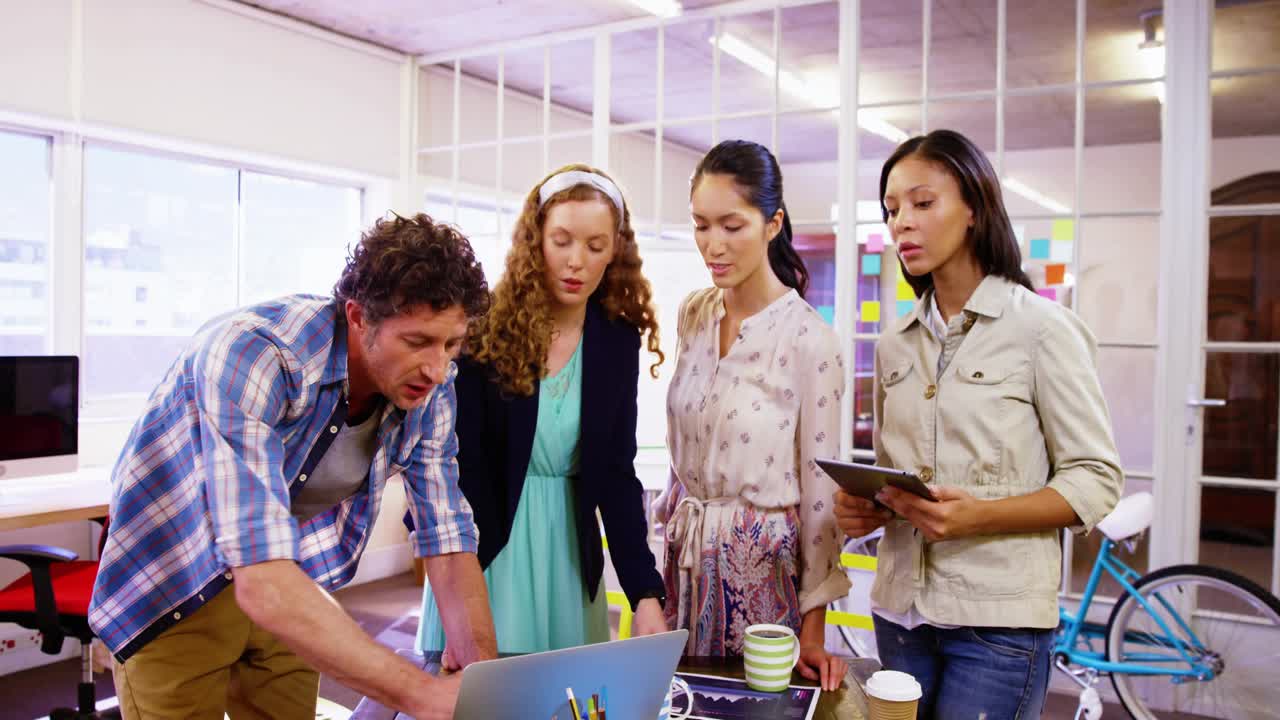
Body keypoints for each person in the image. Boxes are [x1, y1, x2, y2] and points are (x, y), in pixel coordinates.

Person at [89, 213, 498, 720]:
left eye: (451, 344)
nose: (438, 368)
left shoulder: (430, 385)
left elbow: (448, 532)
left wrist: (482, 680)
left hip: (289, 579)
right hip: (176, 581)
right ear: (357, 317)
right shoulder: (254, 353)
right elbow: (260, 584)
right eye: (417, 342)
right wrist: (422, 695)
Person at [833, 129, 1123, 719]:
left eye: (921, 203)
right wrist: (869, 507)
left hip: (999, 626)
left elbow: (1095, 479)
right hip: (899, 613)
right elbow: (906, 476)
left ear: (973, 208)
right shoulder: (895, 344)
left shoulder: (1042, 329)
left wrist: (979, 516)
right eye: (891, 210)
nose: (901, 224)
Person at [415, 164, 668, 664]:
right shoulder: (484, 330)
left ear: (615, 251)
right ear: (536, 241)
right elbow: (449, 472)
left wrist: (645, 594)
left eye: (596, 246)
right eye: (562, 241)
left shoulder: (617, 342)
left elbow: (617, 476)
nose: (577, 262)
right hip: (487, 554)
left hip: (570, 561)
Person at [660, 139, 851, 691]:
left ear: (773, 224)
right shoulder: (693, 314)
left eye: (731, 225)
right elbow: (680, 462)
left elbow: (821, 500)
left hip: (762, 581)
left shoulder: (811, 340)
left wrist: (812, 634)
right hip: (684, 565)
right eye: (700, 225)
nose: (712, 245)